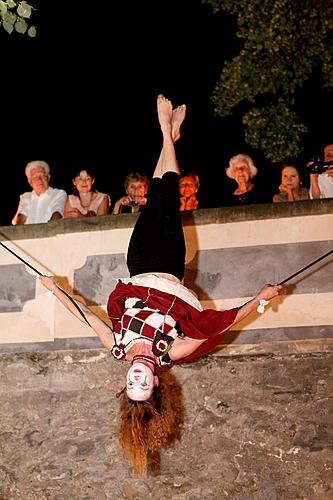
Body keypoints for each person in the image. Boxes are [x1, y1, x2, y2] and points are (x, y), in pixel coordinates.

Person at [39, 95, 282, 476]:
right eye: (144, 385)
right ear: (155, 383)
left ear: (126, 383)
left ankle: (170, 134)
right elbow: (223, 324)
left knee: (154, 199)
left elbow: (83, 314)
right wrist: (261, 299)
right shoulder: (173, 350)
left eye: (130, 385)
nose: (136, 377)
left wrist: (54, 290)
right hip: (169, 264)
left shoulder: (116, 346)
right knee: (167, 198)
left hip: (138, 264)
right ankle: (165, 131)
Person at [12, 160, 67, 225]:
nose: (39, 180)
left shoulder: (59, 193)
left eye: (42, 175)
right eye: (35, 177)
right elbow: (21, 216)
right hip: (26, 234)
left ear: (48, 177)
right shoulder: (25, 197)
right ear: (30, 181)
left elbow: (57, 213)